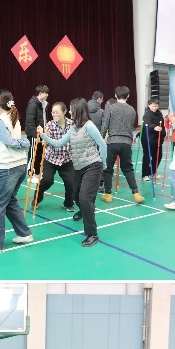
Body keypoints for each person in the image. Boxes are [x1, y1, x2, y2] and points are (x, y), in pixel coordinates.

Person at [40, 97, 108, 246]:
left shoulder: (89, 126)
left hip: (92, 165)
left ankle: (92, 234)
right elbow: (59, 143)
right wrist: (44, 136)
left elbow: (102, 145)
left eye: (71, 109)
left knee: (85, 198)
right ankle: (84, 211)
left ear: (78, 110)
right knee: (76, 195)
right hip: (78, 167)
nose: (70, 112)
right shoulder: (73, 127)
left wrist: (103, 166)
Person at [0, 91, 34, 251]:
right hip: (20, 166)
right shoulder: (13, 117)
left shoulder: (0, 120)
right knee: (10, 200)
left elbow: (9, 141)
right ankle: (24, 234)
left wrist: (25, 143)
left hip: (9, 167)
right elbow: (6, 139)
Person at [98, 86, 145, 204]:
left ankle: (108, 194)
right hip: (127, 143)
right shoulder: (132, 110)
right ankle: (136, 193)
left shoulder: (110, 108)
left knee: (108, 168)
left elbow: (104, 126)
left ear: (115, 95)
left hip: (112, 142)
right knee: (128, 168)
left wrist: (101, 139)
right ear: (128, 96)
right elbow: (131, 126)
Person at [35, 101, 78, 212]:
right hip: (51, 158)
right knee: (47, 181)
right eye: (53, 113)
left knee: (70, 182)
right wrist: (44, 137)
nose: (54, 115)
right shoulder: (50, 125)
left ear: (64, 112)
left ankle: (68, 203)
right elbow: (45, 142)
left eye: (57, 112)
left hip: (67, 159)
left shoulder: (72, 124)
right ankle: (37, 198)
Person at [140, 98, 166, 180]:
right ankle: (145, 175)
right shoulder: (147, 115)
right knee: (147, 157)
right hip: (148, 139)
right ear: (149, 105)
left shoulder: (159, 114)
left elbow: (162, 126)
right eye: (153, 106)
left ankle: (153, 172)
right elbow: (146, 124)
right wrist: (154, 127)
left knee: (158, 156)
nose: (154, 108)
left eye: (156, 106)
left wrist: (163, 134)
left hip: (158, 139)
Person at [24, 85, 50, 153]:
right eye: (46, 93)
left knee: (40, 155)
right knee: (33, 156)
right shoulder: (33, 104)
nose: (47, 95)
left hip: (42, 134)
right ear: (40, 93)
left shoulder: (44, 104)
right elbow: (30, 122)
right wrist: (35, 136)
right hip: (35, 135)